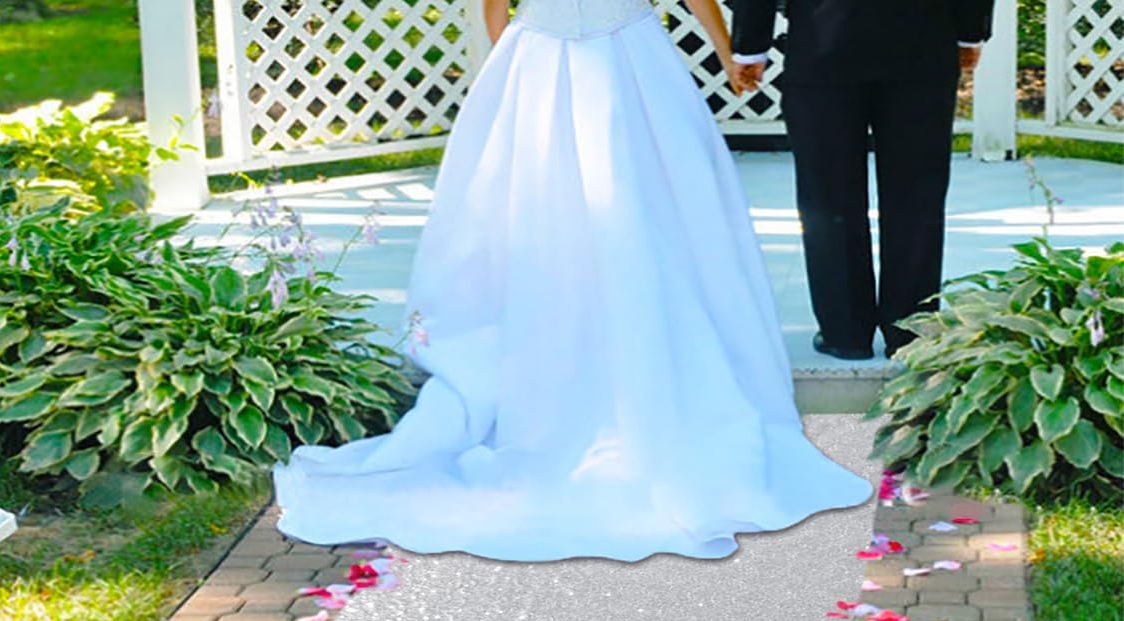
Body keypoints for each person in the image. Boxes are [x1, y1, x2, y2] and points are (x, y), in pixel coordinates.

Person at [273, 0, 872, 561]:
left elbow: (493, 6)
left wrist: (514, 63)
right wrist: (724, 52)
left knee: (569, 214)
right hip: (623, 60)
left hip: (547, 56)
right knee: (650, 216)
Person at [730, 0, 995, 358]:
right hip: (923, 39)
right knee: (917, 195)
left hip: (823, 41)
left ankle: (844, 331)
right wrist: (969, 31)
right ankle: (911, 330)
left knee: (828, 198)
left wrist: (750, 46)